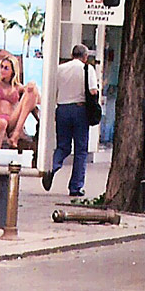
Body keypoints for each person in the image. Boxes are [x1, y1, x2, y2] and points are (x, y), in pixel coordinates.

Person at [42, 44, 98, 197]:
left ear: (72, 54)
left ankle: (51, 167)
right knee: (81, 150)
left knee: (63, 146)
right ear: (85, 57)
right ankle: (75, 187)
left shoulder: (60, 69)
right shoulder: (88, 69)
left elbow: (53, 91)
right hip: (80, 110)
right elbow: (93, 91)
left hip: (62, 110)